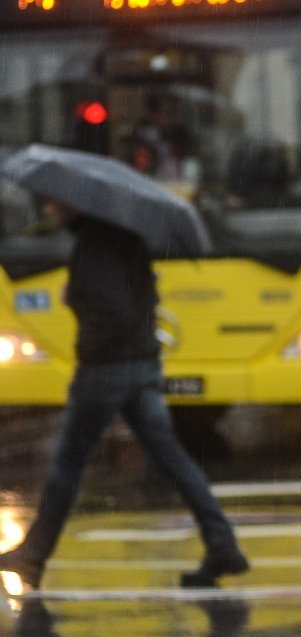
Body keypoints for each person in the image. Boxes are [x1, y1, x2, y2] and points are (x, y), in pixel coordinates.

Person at [0, 200, 248, 589]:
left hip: (105, 370)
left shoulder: (96, 243)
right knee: (172, 457)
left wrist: (76, 300)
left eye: (52, 202)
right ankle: (222, 542)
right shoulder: (124, 238)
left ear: (74, 200)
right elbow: (139, 301)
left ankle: (33, 556)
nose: (47, 208)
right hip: (141, 364)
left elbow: (112, 312)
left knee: (68, 463)